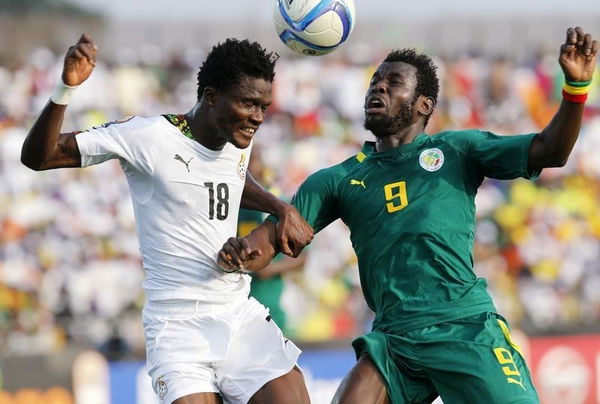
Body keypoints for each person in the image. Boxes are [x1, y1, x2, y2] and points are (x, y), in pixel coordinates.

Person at [218, 26, 598, 404]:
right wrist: (241, 251)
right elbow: (267, 240)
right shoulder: (337, 180)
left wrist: (576, 90)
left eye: (393, 82)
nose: (378, 87)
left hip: (462, 327)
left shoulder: (457, 149)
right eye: (375, 81)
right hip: (393, 341)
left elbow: (551, 151)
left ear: (424, 105)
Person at [20, 34, 313, 404]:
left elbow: (232, 178)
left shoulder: (237, 137)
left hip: (237, 314)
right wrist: (65, 89)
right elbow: (39, 157)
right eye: (249, 104)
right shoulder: (148, 137)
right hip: (177, 328)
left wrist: (278, 206)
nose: (258, 117)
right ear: (210, 97)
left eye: (264, 106)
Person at [237, 146, 307, 332]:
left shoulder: (280, 205)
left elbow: (302, 258)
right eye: (245, 161)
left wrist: (270, 267)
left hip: (271, 305)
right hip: (235, 305)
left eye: (255, 160)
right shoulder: (230, 205)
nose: (250, 166)